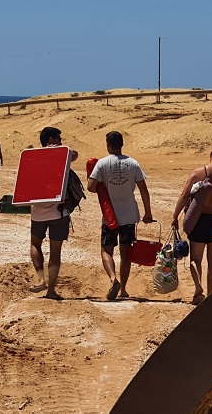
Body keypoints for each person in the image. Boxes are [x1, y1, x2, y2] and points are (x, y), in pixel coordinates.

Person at [87, 131, 153, 300]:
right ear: (122, 144)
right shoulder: (133, 163)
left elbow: (91, 187)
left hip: (110, 216)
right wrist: (148, 212)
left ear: (108, 145)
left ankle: (112, 278)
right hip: (129, 215)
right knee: (126, 254)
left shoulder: (102, 164)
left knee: (106, 250)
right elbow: (143, 190)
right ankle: (123, 289)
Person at [171, 142, 212, 305]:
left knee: (196, 258)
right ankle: (210, 294)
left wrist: (175, 216)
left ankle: (198, 288)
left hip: (199, 219)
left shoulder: (199, 172)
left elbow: (184, 195)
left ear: (211, 154)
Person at [28, 127, 78, 301]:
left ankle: (40, 278)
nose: (61, 141)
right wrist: (57, 149)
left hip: (37, 211)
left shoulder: (32, 157)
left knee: (35, 244)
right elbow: (75, 154)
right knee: (55, 252)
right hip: (59, 212)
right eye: (58, 138)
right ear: (51, 139)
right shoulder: (63, 155)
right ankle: (51, 290)